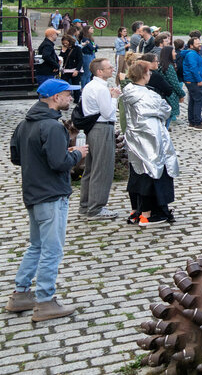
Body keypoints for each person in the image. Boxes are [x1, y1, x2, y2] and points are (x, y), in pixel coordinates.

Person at [6, 78, 87, 322]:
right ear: (54, 97)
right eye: (66, 94)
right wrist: (76, 155)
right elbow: (59, 163)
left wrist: (59, 154)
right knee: (52, 249)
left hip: (33, 192)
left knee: (37, 245)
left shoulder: (24, 124)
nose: (70, 98)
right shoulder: (52, 127)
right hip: (51, 193)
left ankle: (20, 294)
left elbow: (17, 158)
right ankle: (45, 300)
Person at [121, 61, 178, 226]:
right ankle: (148, 214)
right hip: (151, 138)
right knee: (152, 173)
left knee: (137, 172)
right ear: (144, 74)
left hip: (135, 136)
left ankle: (136, 211)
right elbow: (166, 110)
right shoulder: (148, 94)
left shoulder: (128, 91)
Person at [77, 58, 120, 219]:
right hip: (102, 127)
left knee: (91, 168)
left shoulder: (90, 86)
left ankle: (86, 205)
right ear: (99, 71)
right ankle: (96, 208)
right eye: (109, 68)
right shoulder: (101, 88)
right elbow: (108, 112)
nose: (112, 69)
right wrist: (114, 97)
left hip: (93, 128)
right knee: (102, 168)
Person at [180, 36, 202, 129]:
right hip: (194, 81)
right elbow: (194, 68)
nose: (200, 45)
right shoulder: (192, 54)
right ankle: (197, 122)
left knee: (193, 100)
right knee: (198, 100)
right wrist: (199, 80)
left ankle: (192, 121)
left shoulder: (195, 53)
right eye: (197, 44)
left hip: (193, 80)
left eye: (200, 44)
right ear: (191, 45)